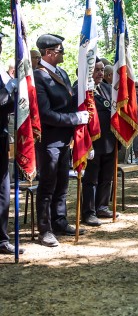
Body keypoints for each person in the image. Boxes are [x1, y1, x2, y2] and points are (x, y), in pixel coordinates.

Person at [34, 34, 89, 247]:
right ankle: (45, 230)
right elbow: (45, 113)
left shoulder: (62, 73)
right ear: (48, 53)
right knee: (48, 186)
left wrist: (85, 90)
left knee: (63, 184)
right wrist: (75, 118)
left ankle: (59, 220)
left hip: (65, 139)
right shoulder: (39, 77)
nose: (63, 54)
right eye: (60, 50)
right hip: (49, 140)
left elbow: (69, 101)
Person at [81, 59, 117, 226]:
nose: (100, 73)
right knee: (91, 179)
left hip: (109, 140)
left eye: (102, 69)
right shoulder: (82, 90)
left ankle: (102, 206)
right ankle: (89, 212)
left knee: (106, 177)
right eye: (96, 70)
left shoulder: (107, 89)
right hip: (91, 142)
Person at [0, 31, 24, 255]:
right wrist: (7, 89)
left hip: (1, 137)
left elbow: (4, 106)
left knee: (3, 191)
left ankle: (2, 239)